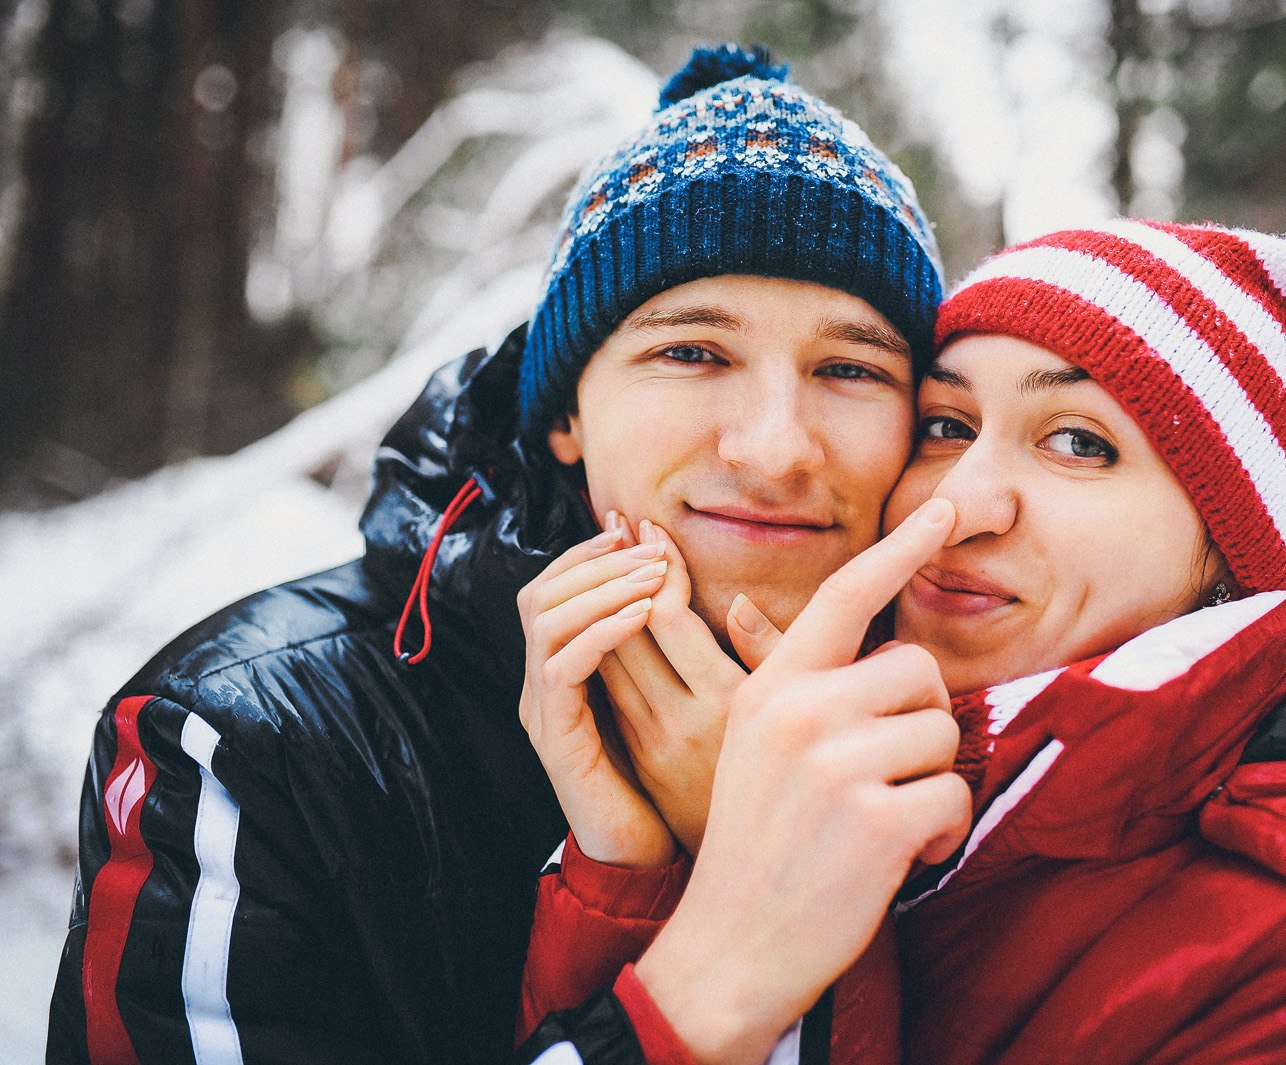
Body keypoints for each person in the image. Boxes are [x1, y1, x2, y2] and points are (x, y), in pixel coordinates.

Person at [46, 45, 951, 1065]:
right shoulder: (253, 740)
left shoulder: (989, 715)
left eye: (850, 368)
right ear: (566, 413)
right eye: (691, 352)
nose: (778, 447)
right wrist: (717, 974)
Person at [515, 222, 1286, 1064]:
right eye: (944, 426)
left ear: (1234, 555)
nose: (962, 503)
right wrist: (646, 879)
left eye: (1079, 443)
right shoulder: (800, 753)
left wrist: (754, 918)